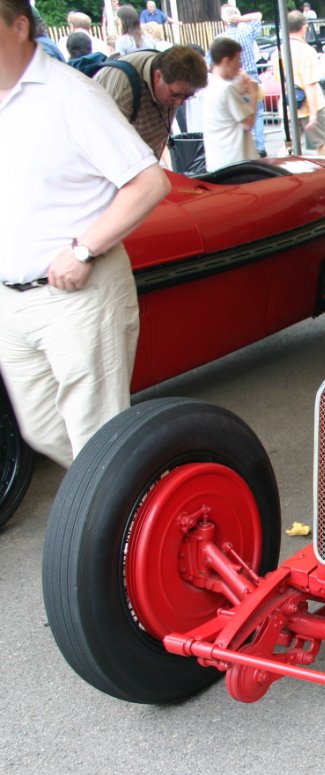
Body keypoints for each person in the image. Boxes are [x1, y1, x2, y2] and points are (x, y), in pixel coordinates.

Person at [0, 0, 170, 469]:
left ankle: (122, 521)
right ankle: (122, 495)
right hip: (10, 302)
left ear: (18, 27)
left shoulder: (70, 95)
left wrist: (83, 249)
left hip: (77, 292)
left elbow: (150, 182)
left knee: (94, 437)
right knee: (40, 428)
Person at [95, 45, 208, 159]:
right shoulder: (124, 91)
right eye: (175, 95)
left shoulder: (169, 79)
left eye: (187, 97)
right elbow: (106, 148)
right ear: (157, 76)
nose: (179, 103)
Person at [202, 36, 256, 170]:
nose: (240, 65)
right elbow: (248, 123)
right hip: (236, 163)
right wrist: (253, 94)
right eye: (238, 60)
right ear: (227, 61)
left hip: (218, 161)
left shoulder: (210, 85)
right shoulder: (226, 89)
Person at [221, 7, 266, 157]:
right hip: (252, 78)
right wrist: (240, 19)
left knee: (241, 116)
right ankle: (260, 145)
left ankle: (248, 146)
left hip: (234, 82)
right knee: (258, 113)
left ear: (224, 20)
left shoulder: (221, 39)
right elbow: (258, 15)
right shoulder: (247, 33)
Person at [288, 9, 325, 155]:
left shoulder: (278, 52)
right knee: (321, 144)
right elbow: (310, 83)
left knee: (289, 146)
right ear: (304, 27)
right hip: (310, 104)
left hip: (288, 105)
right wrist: (313, 112)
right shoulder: (307, 51)